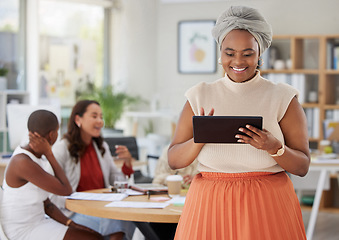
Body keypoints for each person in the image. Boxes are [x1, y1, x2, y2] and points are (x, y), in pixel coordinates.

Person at [168, 6, 310, 240]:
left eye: (247, 53)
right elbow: (174, 160)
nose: (237, 61)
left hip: (267, 205)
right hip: (209, 204)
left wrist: (274, 147)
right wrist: (199, 138)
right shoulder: (198, 95)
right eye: (229, 53)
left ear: (259, 54)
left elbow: (302, 166)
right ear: (220, 54)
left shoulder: (284, 98)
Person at [0, 109, 102, 240]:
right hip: (22, 230)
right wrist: (49, 154)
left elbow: (46, 203)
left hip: (38, 222)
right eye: (57, 131)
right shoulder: (22, 162)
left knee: (95, 236)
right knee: (94, 239)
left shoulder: (34, 157)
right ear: (52, 135)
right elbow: (66, 190)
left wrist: (72, 224)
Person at [50, 100, 136, 240]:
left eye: (101, 117)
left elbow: (116, 181)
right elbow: (50, 193)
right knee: (116, 222)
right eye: (94, 116)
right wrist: (72, 203)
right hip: (74, 212)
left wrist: (127, 164)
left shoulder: (101, 147)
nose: (100, 121)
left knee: (126, 217)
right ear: (78, 119)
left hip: (101, 208)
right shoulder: (62, 149)